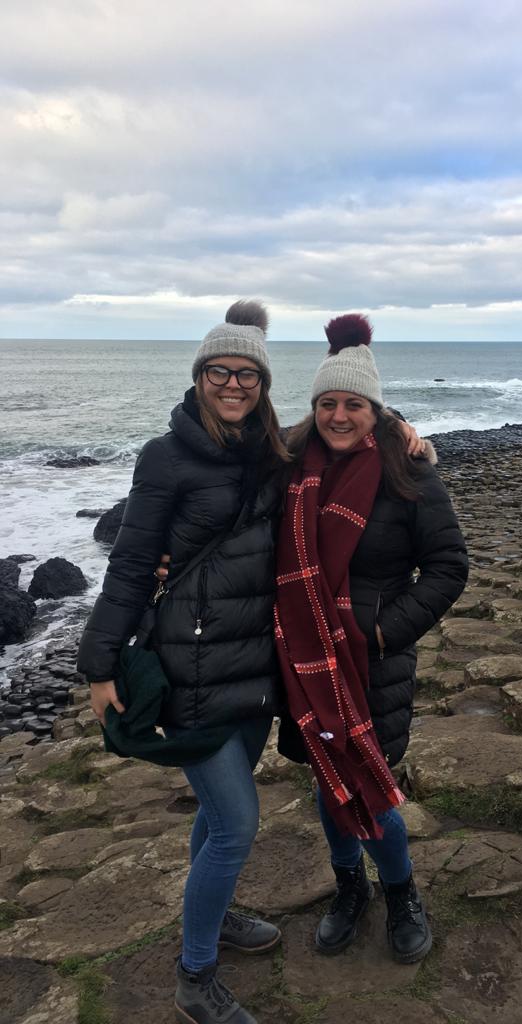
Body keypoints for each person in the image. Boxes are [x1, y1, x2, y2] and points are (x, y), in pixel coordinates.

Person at [77, 302, 292, 1024]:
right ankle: (195, 976)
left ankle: (216, 910)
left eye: (248, 374)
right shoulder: (164, 456)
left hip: (257, 665)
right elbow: (134, 563)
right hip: (189, 666)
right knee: (235, 823)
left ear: (263, 383)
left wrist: (404, 434)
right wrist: (98, 664)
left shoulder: (272, 451)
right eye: (220, 371)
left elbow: (346, 430)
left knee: (217, 815)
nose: (235, 383)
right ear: (199, 377)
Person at [275, 314, 468, 966]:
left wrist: (383, 633)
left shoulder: (407, 470)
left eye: (352, 403)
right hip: (304, 662)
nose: (338, 415)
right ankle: (348, 888)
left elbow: (448, 567)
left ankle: (401, 891)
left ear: (373, 408)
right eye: (327, 402)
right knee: (327, 783)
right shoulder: (292, 466)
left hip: (373, 662)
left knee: (373, 785)